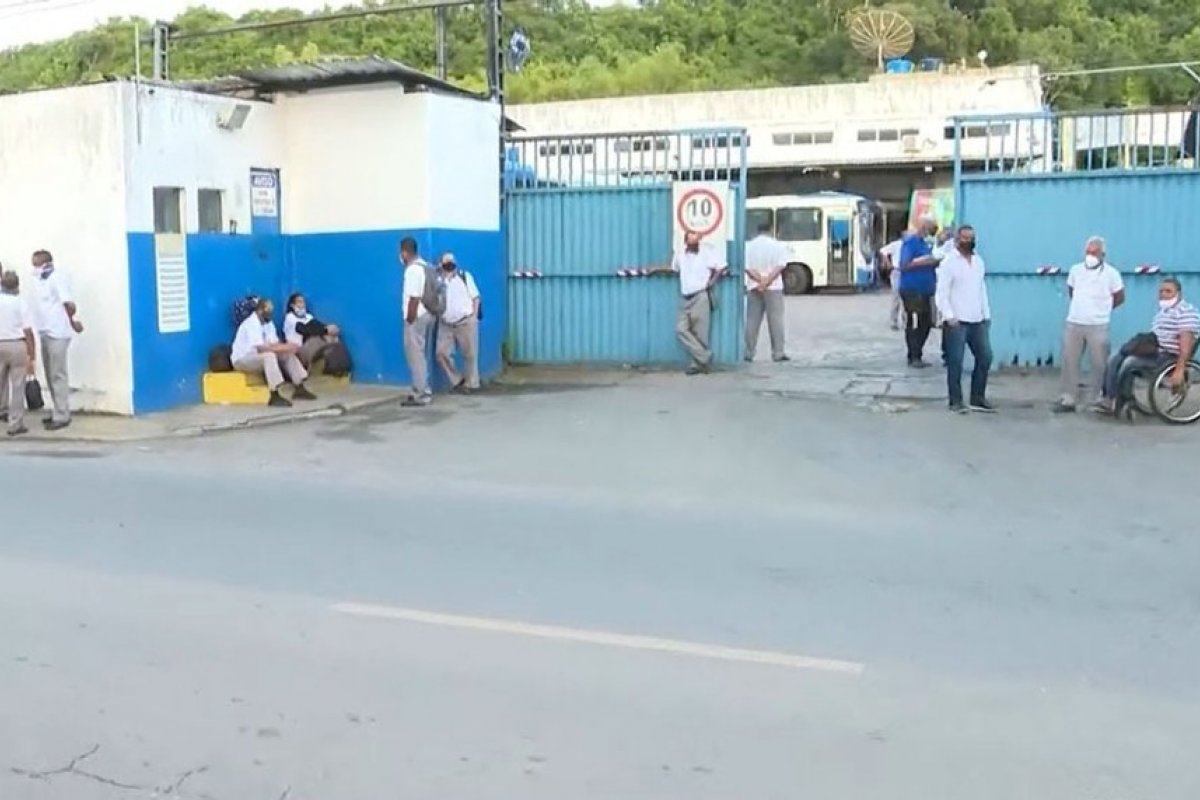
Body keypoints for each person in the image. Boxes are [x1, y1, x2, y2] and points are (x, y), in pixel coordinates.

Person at [1097, 277, 1200, 416]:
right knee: (1115, 357)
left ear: (1179, 294)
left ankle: (1119, 400)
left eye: (1168, 291)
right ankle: (1109, 398)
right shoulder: (1163, 312)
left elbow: (1186, 344)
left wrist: (1180, 369)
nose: (1163, 294)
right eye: (1161, 291)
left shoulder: (1186, 312)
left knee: (1130, 363)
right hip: (1157, 351)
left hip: (1170, 357)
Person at [1055, 236, 1125, 412]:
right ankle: (1068, 398)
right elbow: (1072, 291)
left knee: (1100, 363)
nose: (1090, 255)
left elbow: (1119, 297)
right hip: (1074, 322)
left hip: (1098, 324)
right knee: (1070, 360)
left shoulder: (1111, 274)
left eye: (1094, 252)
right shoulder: (1075, 270)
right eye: (1088, 252)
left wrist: (1102, 310)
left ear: (1103, 254)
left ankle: (1099, 398)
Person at [935, 225, 994, 414]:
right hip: (957, 321)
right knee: (956, 362)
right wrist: (949, 316)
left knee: (985, 357)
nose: (968, 241)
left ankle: (977, 397)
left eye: (971, 238)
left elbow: (981, 289)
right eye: (964, 238)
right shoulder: (949, 263)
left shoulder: (978, 262)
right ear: (957, 240)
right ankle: (955, 401)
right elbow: (941, 293)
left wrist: (986, 315)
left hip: (977, 319)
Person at [30, 249, 82, 430]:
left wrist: (73, 321)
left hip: (58, 333)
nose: (33, 268)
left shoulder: (57, 278)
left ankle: (62, 415)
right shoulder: (40, 280)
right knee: (50, 375)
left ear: (45, 264)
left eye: (36, 264)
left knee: (58, 375)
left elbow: (68, 303)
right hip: (45, 331)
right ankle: (57, 411)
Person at [659, 230, 725, 375]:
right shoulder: (680, 254)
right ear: (686, 242)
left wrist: (711, 282)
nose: (693, 243)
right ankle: (705, 356)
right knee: (681, 329)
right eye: (690, 241)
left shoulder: (706, 253)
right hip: (685, 296)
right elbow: (674, 268)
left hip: (700, 295)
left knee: (701, 333)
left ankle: (698, 364)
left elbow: (721, 267)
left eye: (695, 240)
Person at [231, 298, 315, 408]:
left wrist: (288, 348)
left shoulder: (267, 323)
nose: (271, 313)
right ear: (260, 311)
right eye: (268, 310)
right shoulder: (251, 324)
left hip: (257, 357)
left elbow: (275, 343)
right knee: (269, 356)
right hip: (242, 360)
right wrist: (285, 347)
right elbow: (261, 349)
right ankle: (274, 394)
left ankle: (299, 387)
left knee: (286, 354)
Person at [897, 216, 942, 368]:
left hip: (925, 290)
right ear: (924, 228)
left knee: (927, 322)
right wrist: (927, 261)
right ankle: (913, 355)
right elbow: (904, 264)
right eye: (932, 229)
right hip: (912, 289)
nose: (933, 233)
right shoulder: (911, 242)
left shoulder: (926, 244)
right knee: (915, 323)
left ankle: (917, 352)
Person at [435, 252, 482, 393]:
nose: (450, 264)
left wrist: (473, 316)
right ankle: (457, 380)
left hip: (465, 321)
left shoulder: (464, 277)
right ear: (440, 264)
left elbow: (476, 297)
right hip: (446, 323)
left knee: (470, 354)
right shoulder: (437, 281)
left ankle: (471, 384)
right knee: (441, 353)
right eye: (446, 261)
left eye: (452, 261)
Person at [743, 221, 789, 362]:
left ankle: (748, 352)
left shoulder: (748, 246)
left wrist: (759, 281)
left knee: (752, 321)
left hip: (754, 286)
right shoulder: (778, 246)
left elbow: (748, 268)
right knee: (775, 320)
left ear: (758, 231)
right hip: (774, 287)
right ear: (770, 230)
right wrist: (767, 280)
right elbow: (780, 266)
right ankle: (778, 353)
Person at [400, 236, 437, 406]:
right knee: (421, 354)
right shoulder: (426, 266)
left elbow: (414, 298)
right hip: (428, 314)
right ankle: (421, 388)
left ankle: (421, 393)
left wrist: (409, 319)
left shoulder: (412, 270)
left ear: (405, 252)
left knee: (416, 356)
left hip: (417, 317)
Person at [0, 270, 37, 437]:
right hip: (16, 345)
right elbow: (28, 330)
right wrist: (31, 355)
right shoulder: (21, 302)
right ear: (17, 286)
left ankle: (2, 411)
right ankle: (15, 424)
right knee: (17, 386)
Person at [283, 292, 341, 368]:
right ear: (292, 305)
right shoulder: (290, 317)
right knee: (319, 337)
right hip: (298, 350)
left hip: (310, 347)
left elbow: (319, 326)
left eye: (303, 302)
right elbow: (303, 329)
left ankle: (336, 367)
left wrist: (330, 328)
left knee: (332, 337)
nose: (302, 305)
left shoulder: (308, 316)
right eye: (299, 302)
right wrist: (325, 330)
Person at [881, 235, 905, 330]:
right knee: (896, 297)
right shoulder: (896, 244)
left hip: (907, 271)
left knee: (905, 297)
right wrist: (888, 263)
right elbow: (883, 251)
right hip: (897, 271)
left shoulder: (910, 245)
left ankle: (905, 321)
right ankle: (894, 321)